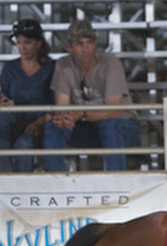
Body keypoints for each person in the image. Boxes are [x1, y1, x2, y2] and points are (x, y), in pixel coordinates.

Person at [42, 20, 140, 171]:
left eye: (89, 42)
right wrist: (67, 118)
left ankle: (118, 179)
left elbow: (113, 111)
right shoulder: (63, 64)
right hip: (85, 125)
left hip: (122, 125)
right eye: (80, 44)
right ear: (70, 47)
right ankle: (56, 180)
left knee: (109, 126)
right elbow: (62, 107)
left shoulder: (111, 63)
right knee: (54, 127)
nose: (85, 48)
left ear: (95, 44)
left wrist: (81, 114)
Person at [0, 19, 55, 172]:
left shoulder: (51, 68)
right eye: (19, 43)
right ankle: (2, 172)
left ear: (39, 43)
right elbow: (3, 96)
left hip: (39, 123)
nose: (22, 48)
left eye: (28, 43)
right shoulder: (10, 68)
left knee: (24, 144)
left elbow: (56, 103)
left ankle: (19, 182)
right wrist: (4, 105)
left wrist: (39, 122)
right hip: (15, 120)